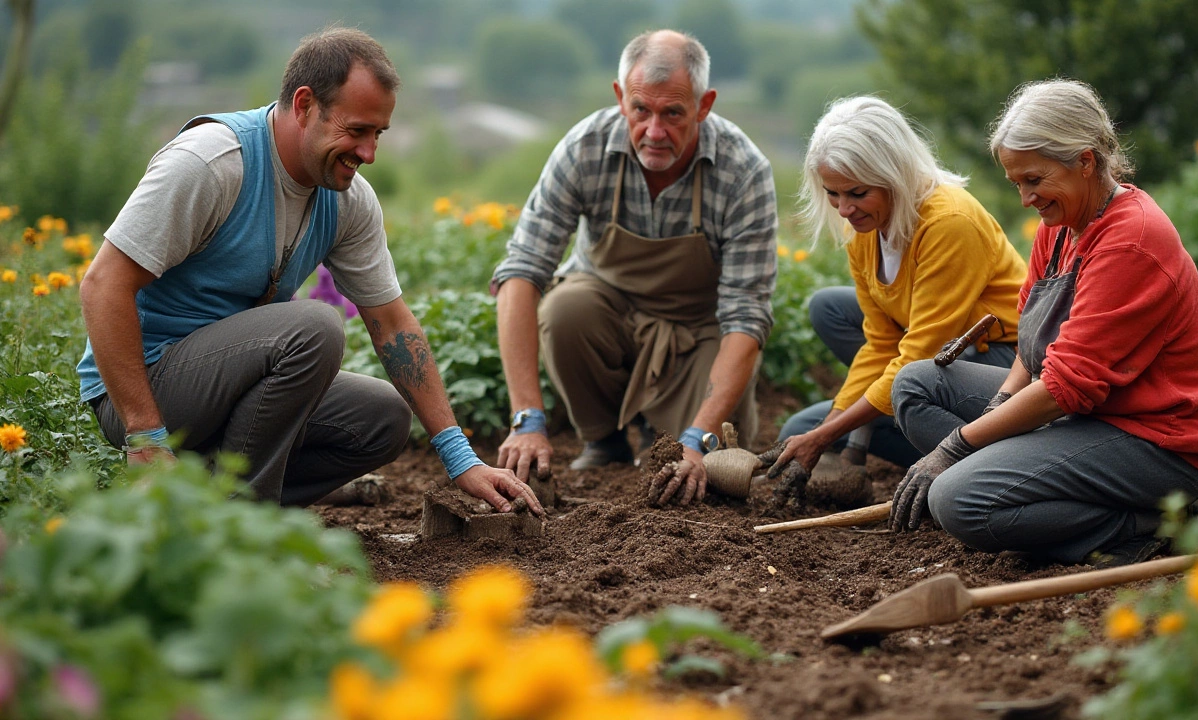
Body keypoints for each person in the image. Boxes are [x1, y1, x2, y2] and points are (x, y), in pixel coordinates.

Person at [77, 28, 542, 516]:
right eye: (356, 130)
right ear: (304, 106)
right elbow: (102, 285)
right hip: (145, 386)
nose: (369, 153)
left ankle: (210, 503)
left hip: (232, 383)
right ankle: (244, 526)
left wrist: (459, 457)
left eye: (378, 134)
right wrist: (146, 438)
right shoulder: (213, 164)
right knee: (314, 327)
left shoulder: (347, 199)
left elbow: (392, 321)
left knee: (381, 418)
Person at [890, 79, 1198, 566]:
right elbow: (1033, 343)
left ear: (1086, 162)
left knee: (956, 501)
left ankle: (1143, 521)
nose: (1026, 198)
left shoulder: (1130, 240)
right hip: (1086, 413)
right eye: (1017, 184)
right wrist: (1003, 402)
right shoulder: (1061, 227)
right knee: (916, 385)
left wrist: (955, 446)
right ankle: (1040, 488)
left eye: (1034, 180)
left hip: (1157, 439)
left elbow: (1065, 389)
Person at [490, 30, 778, 505]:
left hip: (697, 332)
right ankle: (603, 440)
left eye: (673, 114)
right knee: (566, 309)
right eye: (641, 110)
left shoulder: (742, 170)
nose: (655, 131)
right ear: (621, 97)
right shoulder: (584, 148)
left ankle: (662, 432)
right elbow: (521, 273)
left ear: (704, 106)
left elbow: (746, 317)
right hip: (608, 314)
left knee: (707, 468)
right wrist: (528, 419)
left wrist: (700, 439)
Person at [763, 97, 1025, 499]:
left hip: (1003, 362)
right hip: (934, 356)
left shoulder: (949, 222)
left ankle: (991, 461)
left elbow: (919, 352)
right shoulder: (865, 229)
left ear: (893, 175)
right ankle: (910, 433)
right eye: (832, 193)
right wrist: (827, 429)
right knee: (798, 431)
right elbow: (882, 343)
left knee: (897, 391)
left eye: (857, 192)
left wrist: (830, 435)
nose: (844, 209)